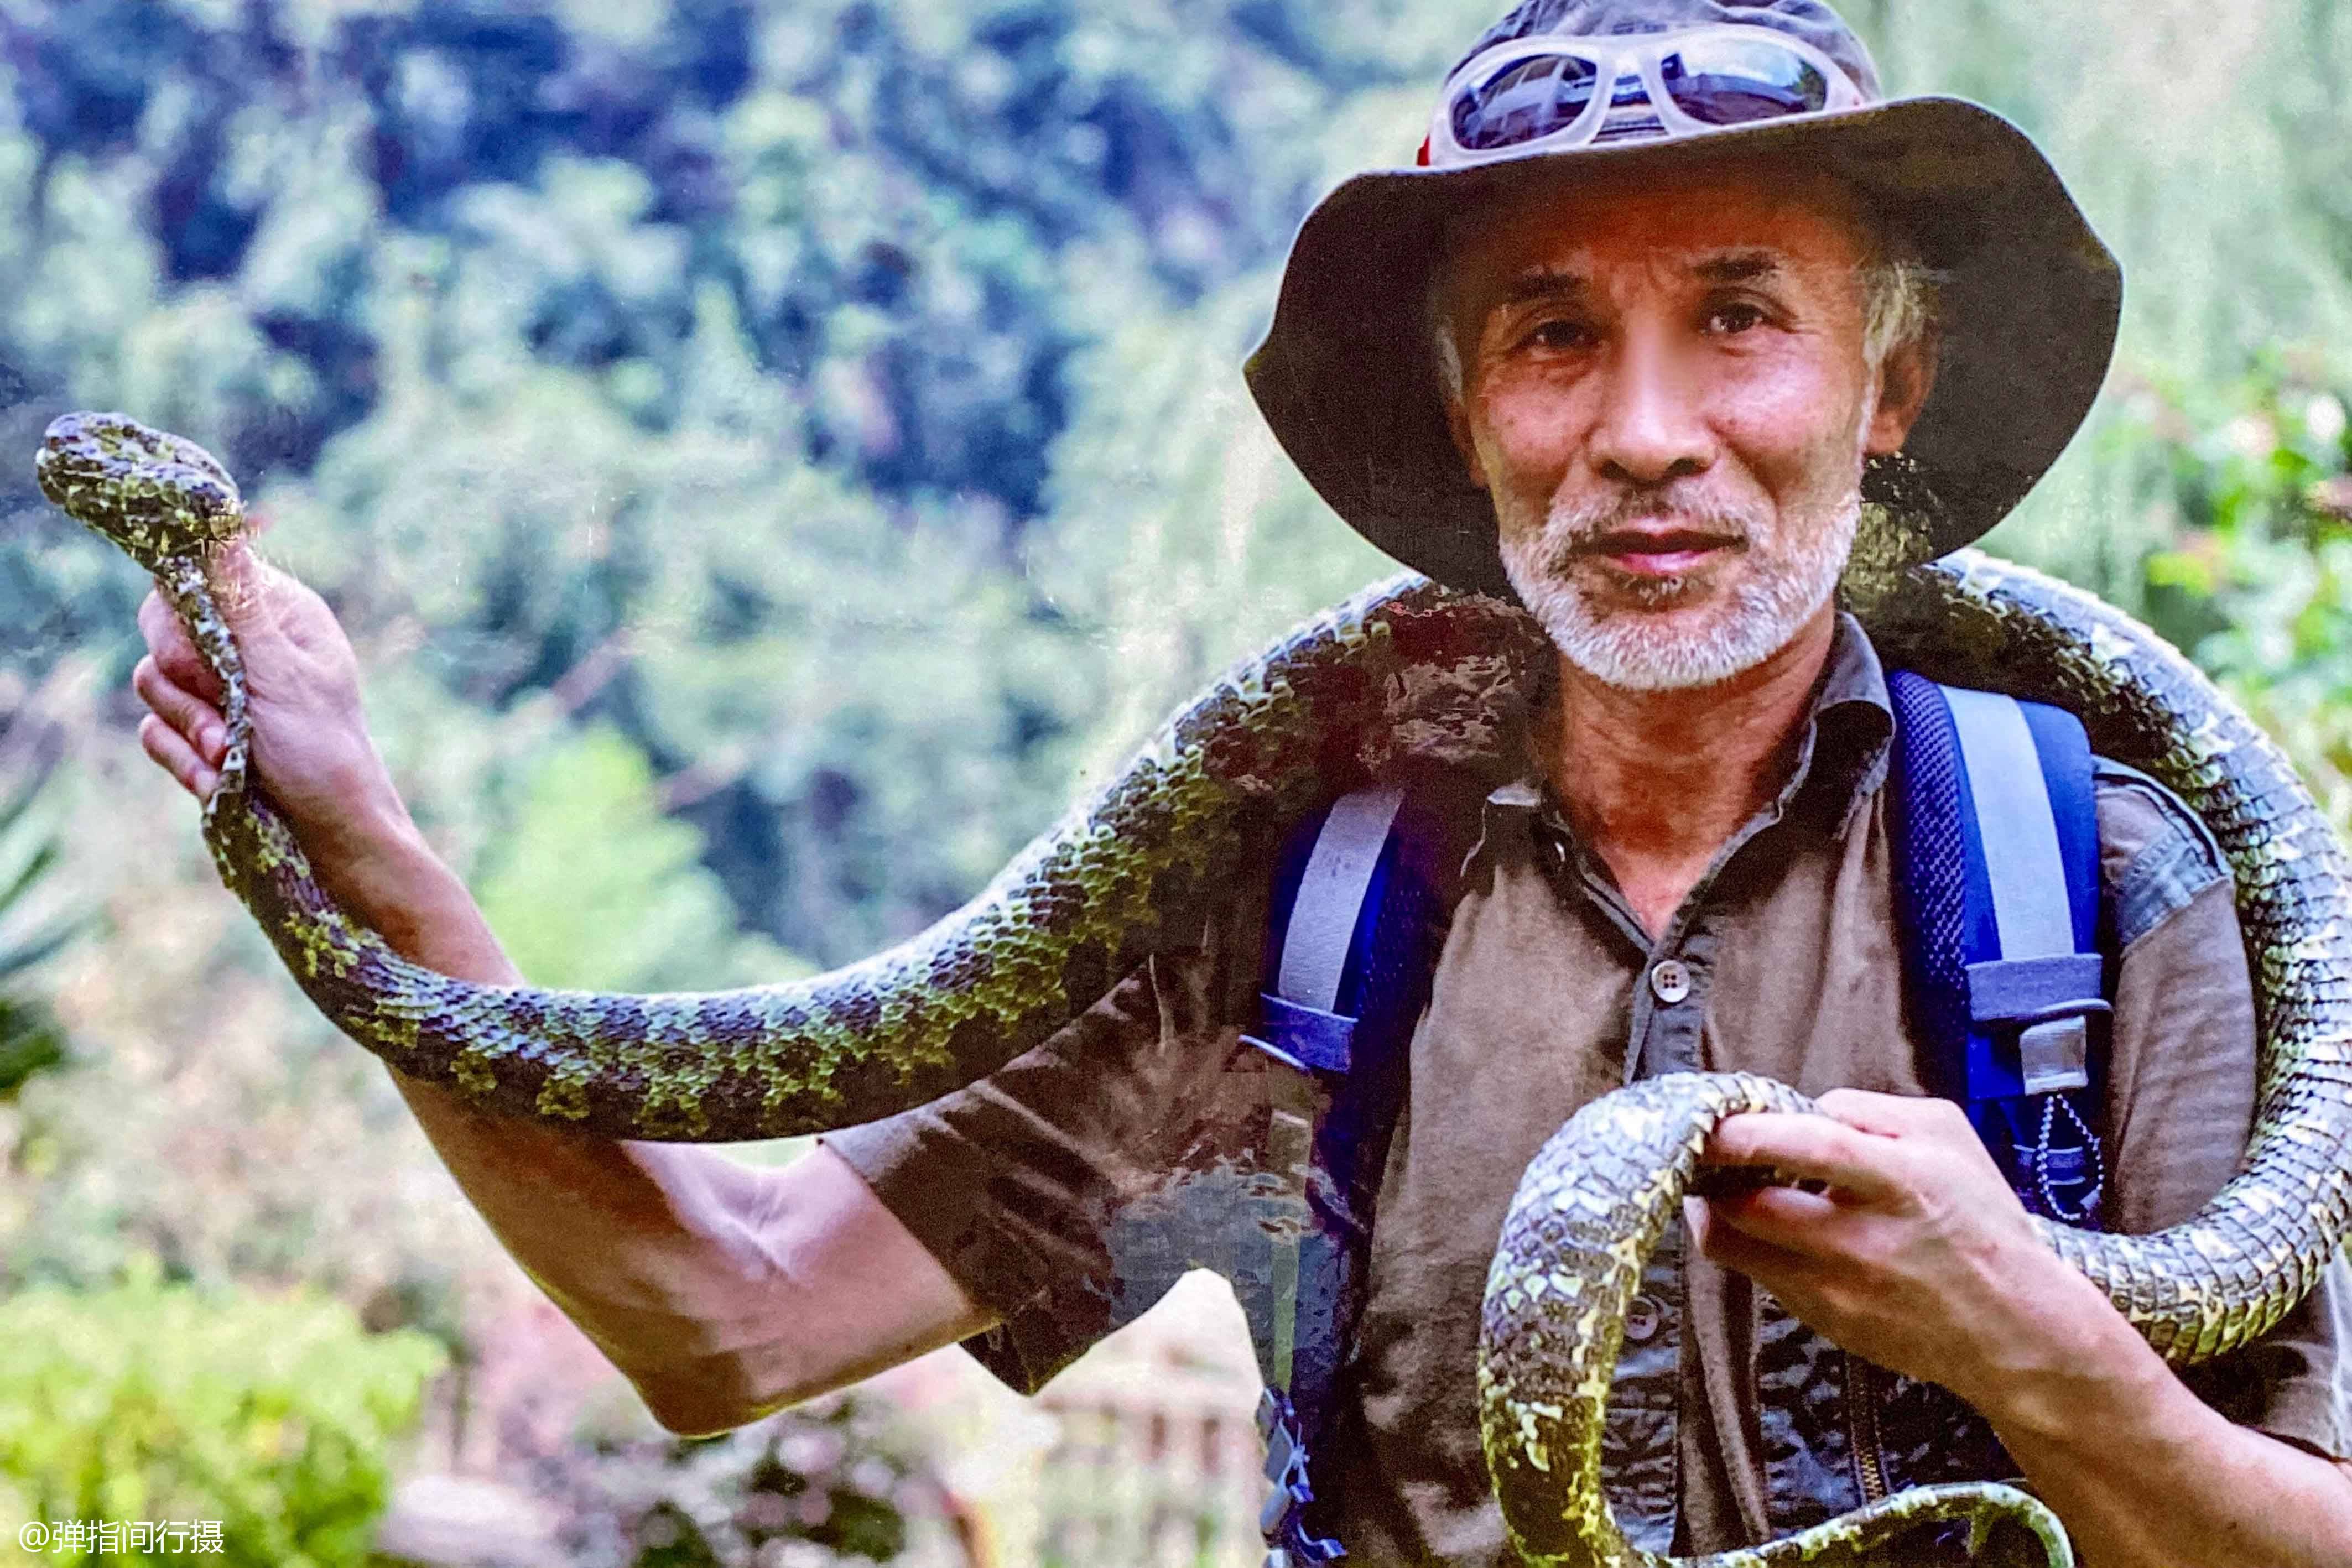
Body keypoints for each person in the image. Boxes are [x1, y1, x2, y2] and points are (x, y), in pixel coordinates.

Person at [128, 0, 2352, 1563]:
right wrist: (351, 843)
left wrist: (2042, 1354)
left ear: (1891, 380)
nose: (1646, 427)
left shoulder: (2100, 893)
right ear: (1469, 421)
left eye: (1741, 313)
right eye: (1555, 330)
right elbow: (722, 1318)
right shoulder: (1284, 910)